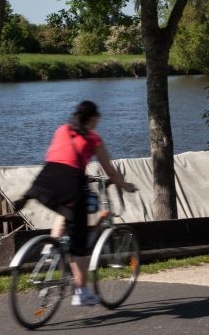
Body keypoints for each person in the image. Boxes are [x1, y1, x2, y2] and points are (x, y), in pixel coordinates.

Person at [14, 100, 136, 307]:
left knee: (64, 209)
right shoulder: (94, 138)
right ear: (94, 118)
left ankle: (51, 247)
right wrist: (125, 186)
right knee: (80, 244)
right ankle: (81, 292)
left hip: (44, 181)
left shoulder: (62, 129)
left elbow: (62, 158)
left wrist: (81, 174)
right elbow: (111, 172)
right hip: (70, 184)